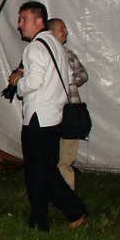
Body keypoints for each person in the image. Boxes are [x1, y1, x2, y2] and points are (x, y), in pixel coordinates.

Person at [8, 2, 88, 231]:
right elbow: (68, 77)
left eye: (24, 19)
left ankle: (73, 211)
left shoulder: (34, 48)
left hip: (38, 117)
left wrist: (18, 83)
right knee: (43, 169)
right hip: (53, 116)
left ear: (39, 21)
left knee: (40, 171)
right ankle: (39, 218)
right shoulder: (55, 44)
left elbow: (33, 82)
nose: (19, 24)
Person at [48, 18, 89, 191]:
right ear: (51, 33)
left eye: (65, 28)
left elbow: (83, 74)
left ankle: (67, 193)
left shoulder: (68, 54)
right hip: (50, 111)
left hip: (70, 110)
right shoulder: (43, 55)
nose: (66, 32)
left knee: (67, 154)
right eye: (62, 29)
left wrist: (70, 81)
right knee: (50, 153)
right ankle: (50, 189)